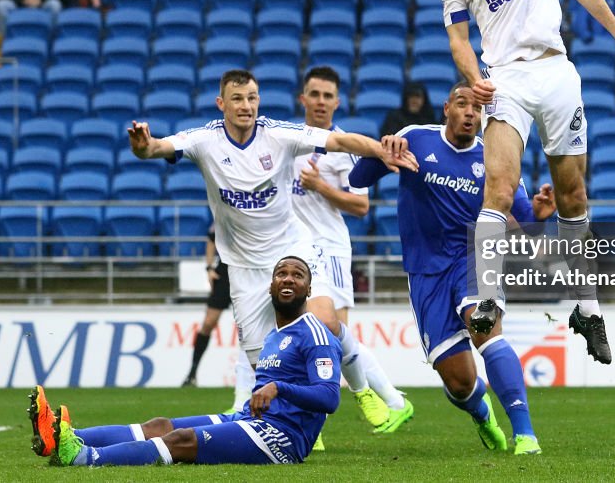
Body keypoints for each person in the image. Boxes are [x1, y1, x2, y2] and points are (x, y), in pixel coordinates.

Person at [437, 0, 615, 365]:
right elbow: (457, 37)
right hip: (505, 78)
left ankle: (587, 311)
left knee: (572, 196)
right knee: (499, 186)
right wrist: (475, 78)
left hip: (556, 72)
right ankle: (490, 300)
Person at [126, 69, 417, 413]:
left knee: (326, 320)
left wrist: (381, 151)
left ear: (258, 101)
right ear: (222, 103)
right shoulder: (205, 140)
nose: (246, 105)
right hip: (243, 266)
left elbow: (338, 141)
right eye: (237, 98)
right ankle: (288, 419)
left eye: (251, 98)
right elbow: (157, 148)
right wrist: (143, 147)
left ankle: (364, 394)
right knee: (262, 360)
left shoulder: (278, 134)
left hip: (291, 249)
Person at [349, 84, 554, 455]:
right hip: (425, 272)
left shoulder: (496, 159)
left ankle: (526, 435)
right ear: (447, 109)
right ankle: (481, 411)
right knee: (460, 384)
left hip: (474, 257)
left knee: (485, 329)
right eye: (463, 104)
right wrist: (384, 150)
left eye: (478, 108)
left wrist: (541, 213)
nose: (471, 113)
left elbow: (526, 219)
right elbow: (357, 180)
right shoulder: (414, 139)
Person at [29, 257, 342, 467]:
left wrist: (278, 388)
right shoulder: (275, 333)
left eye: (297, 275)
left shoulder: (316, 334)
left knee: (180, 440)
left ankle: (86, 457)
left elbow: (330, 397)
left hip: (283, 438)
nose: (288, 280)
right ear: (271, 285)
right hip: (249, 419)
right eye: (281, 274)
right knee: (159, 425)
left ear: (309, 289)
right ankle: (59, 436)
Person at [291, 67, 414, 434]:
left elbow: (361, 207)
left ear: (337, 102)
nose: (321, 102)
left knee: (335, 335)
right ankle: (385, 401)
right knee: (302, 336)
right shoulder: (289, 139)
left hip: (329, 248)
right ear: (303, 99)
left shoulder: (344, 147)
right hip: (293, 250)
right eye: (314, 94)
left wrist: (320, 186)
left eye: (328, 96)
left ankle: (391, 400)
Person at [180, 224, 257, 401]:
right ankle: (192, 373)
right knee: (208, 323)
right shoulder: (224, 213)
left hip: (249, 272)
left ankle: (257, 380)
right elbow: (211, 239)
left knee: (250, 327)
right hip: (225, 273)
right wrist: (209, 268)